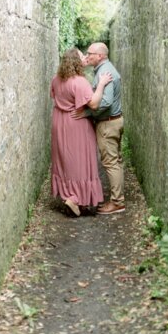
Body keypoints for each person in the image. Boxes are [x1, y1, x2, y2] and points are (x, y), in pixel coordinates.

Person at [49, 48, 112, 216]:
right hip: (76, 123)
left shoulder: (56, 80)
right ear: (76, 62)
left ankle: (68, 193)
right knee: (80, 160)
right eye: (82, 56)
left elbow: (56, 96)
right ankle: (76, 198)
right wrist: (101, 84)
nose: (85, 57)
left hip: (59, 121)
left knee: (65, 159)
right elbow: (94, 104)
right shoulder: (79, 81)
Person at [77, 42, 125, 215]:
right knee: (115, 162)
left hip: (107, 124)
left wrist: (88, 112)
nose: (87, 55)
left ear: (100, 56)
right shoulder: (103, 69)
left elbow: (105, 102)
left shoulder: (105, 72)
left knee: (110, 163)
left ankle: (117, 203)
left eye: (90, 53)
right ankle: (117, 199)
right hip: (113, 122)